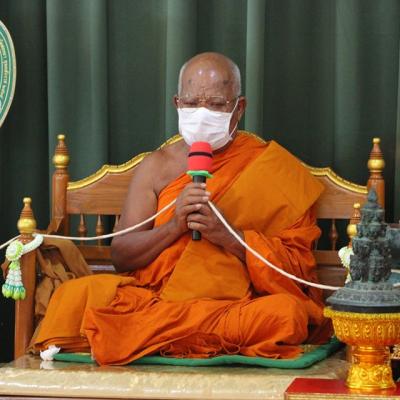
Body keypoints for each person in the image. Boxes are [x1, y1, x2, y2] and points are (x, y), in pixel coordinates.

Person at [34, 52, 331, 365]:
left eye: (216, 104)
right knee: (74, 296)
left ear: (239, 108)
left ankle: (140, 336)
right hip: (157, 300)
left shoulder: (274, 170)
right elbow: (122, 256)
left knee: (288, 315)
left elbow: (295, 274)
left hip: (231, 305)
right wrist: (174, 225)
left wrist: (229, 236)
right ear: (177, 103)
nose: (201, 114)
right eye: (191, 103)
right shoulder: (157, 167)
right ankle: (167, 334)